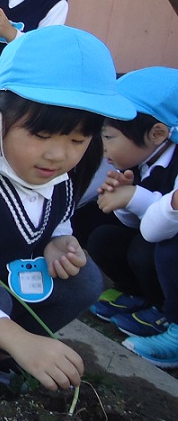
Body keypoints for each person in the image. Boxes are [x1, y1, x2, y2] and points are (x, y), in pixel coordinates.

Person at [0, 26, 136, 392]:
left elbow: (59, 219)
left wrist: (59, 241)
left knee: (84, 281)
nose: (58, 154)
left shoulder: (59, 176)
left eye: (77, 139)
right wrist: (19, 338)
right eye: (40, 135)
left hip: (11, 296)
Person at [88, 67, 178, 341]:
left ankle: (169, 314)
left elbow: (157, 229)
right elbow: (138, 222)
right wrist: (124, 201)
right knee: (104, 236)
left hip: (169, 244)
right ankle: (139, 295)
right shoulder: (144, 159)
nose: (101, 145)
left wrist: (134, 196)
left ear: (158, 133)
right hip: (157, 232)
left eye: (109, 136)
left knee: (150, 250)